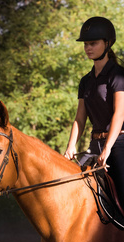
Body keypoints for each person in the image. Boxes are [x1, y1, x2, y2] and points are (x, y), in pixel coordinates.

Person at [64, 16, 124, 210]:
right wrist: (71, 146)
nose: (88, 47)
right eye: (85, 44)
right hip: (94, 144)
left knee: (122, 197)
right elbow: (80, 119)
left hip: (119, 145)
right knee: (72, 185)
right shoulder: (85, 81)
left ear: (107, 44)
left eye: (93, 43)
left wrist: (107, 149)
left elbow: (119, 114)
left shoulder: (118, 75)